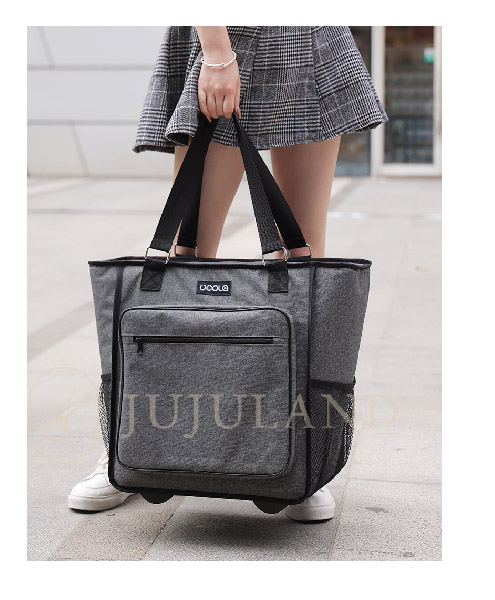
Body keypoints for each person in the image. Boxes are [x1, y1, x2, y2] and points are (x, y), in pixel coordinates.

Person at [68, 26, 387, 521]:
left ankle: (301, 461)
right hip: (225, 35)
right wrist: (216, 51)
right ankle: (134, 447)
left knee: (302, 261)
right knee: (184, 255)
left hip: (307, 35)